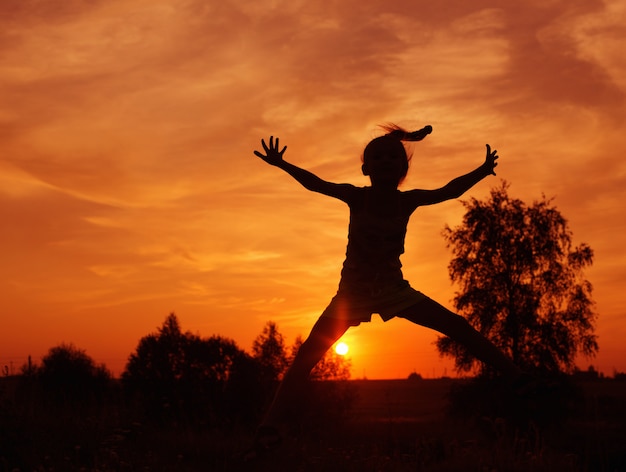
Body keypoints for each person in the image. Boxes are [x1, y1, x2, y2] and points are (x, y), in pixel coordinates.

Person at [252, 124, 521, 448]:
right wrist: (283, 165)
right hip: (351, 295)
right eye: (376, 157)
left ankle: (519, 376)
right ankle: (270, 426)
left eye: (392, 156)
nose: (385, 161)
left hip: (395, 291)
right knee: (307, 357)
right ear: (366, 168)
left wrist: (481, 170)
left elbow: (450, 191)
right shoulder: (356, 196)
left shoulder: (409, 201)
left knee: (457, 326)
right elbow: (316, 184)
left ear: (404, 167)